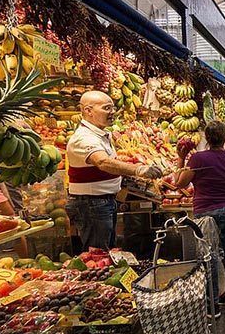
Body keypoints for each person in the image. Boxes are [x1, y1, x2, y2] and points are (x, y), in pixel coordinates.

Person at [65, 91, 162, 250]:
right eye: (107, 108)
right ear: (89, 111)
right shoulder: (84, 137)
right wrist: (138, 169)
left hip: (101, 202)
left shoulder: (100, 134)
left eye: (113, 108)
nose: (112, 112)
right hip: (91, 203)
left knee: (106, 250)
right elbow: (102, 162)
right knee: (98, 253)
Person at [172, 120, 225, 313]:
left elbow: (179, 183)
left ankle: (212, 303)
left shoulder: (197, 159)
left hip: (205, 212)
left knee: (209, 256)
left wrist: (181, 157)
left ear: (206, 137)